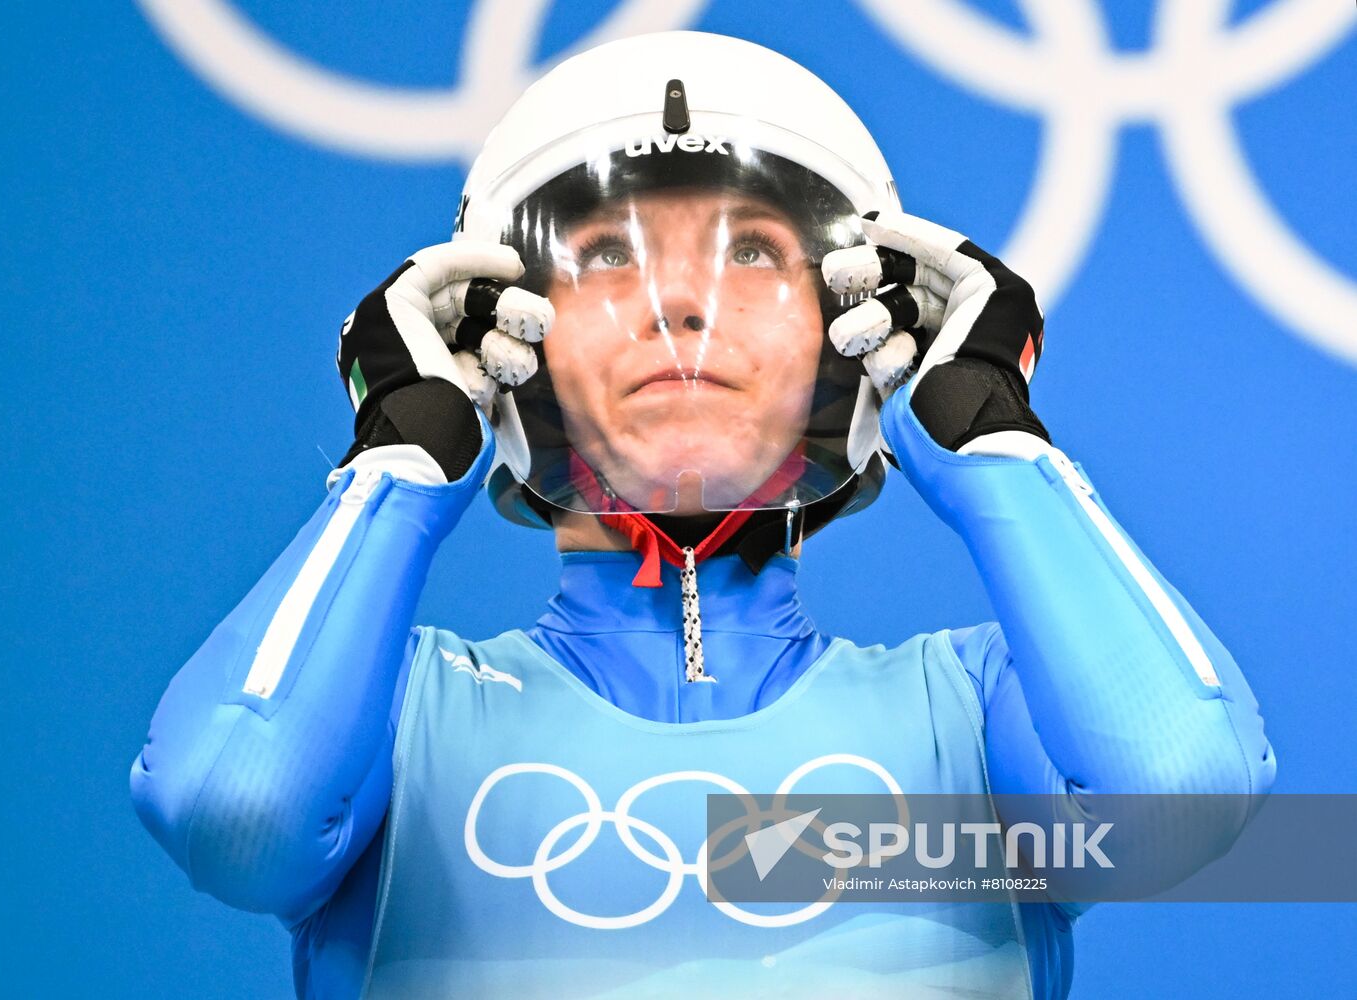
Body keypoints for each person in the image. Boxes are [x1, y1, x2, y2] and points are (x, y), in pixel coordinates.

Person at [129, 31, 1275, 1000]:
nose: (682, 301)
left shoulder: (970, 731)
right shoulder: (390, 718)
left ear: (853, 328)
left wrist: (989, 435)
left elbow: (1181, 792)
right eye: (606, 256)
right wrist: (399, 454)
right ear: (507, 336)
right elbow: (237, 809)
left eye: (756, 253)